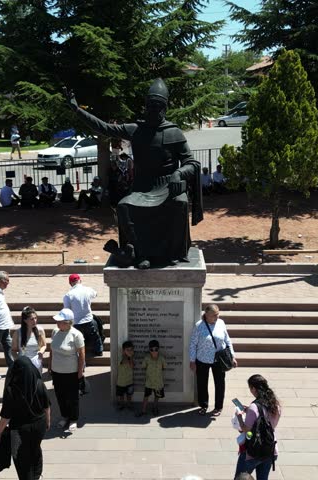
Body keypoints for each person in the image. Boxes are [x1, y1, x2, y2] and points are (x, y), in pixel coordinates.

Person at [68, 79, 203, 269]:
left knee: (179, 203)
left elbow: (192, 162)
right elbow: (104, 127)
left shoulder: (173, 132)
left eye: (158, 106)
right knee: (124, 206)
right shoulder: (136, 129)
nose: (154, 109)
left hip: (167, 185)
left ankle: (174, 253)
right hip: (143, 186)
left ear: (164, 108)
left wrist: (179, 173)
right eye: (151, 105)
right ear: (146, 106)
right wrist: (77, 110)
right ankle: (138, 253)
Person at [0, 357, 51, 480]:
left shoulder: (12, 390)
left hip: (19, 430)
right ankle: (37, 475)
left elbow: (6, 416)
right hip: (39, 425)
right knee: (36, 449)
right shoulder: (39, 384)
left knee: (20, 459)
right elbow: (47, 407)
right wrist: (47, 421)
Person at [189, 304, 237, 416]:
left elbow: (227, 340)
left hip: (219, 360)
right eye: (214, 315)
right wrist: (192, 360)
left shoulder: (221, 323)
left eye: (218, 314)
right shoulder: (199, 326)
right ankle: (203, 405)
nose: (217, 317)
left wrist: (233, 356)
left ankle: (218, 407)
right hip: (202, 359)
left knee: (220, 384)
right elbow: (193, 344)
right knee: (202, 384)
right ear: (206, 315)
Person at [234, 374, 281, 480]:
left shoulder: (254, 407)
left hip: (252, 451)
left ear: (254, 388)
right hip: (269, 450)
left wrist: (240, 417)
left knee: (241, 478)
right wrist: (250, 411)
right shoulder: (275, 405)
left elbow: (245, 428)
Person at [48, 308, 85, 432]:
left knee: (72, 397)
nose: (57, 324)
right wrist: (50, 366)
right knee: (60, 395)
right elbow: (52, 350)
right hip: (56, 371)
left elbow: (81, 355)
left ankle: (74, 419)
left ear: (68, 322)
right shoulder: (55, 332)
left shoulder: (76, 335)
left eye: (60, 321)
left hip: (71, 372)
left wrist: (80, 372)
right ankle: (64, 416)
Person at [63, 274, 102, 356]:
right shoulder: (87, 290)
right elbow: (95, 294)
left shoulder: (68, 295)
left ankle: (78, 354)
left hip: (76, 323)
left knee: (77, 340)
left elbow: (67, 310)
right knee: (95, 336)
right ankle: (99, 350)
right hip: (88, 320)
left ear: (70, 283)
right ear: (80, 281)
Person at [12, 306, 47, 371]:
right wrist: (18, 361)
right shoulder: (17, 333)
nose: (35, 321)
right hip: (23, 365)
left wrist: (41, 352)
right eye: (32, 319)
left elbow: (44, 345)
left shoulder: (40, 330)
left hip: (36, 363)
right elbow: (13, 351)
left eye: (35, 318)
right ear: (25, 320)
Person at [139, 339, 166, 417]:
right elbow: (143, 366)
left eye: (156, 349)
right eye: (152, 350)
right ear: (149, 350)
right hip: (149, 382)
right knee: (146, 396)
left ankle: (155, 408)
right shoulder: (147, 358)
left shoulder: (161, 358)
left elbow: (164, 367)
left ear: (158, 349)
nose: (154, 351)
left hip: (158, 382)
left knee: (157, 396)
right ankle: (143, 410)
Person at [115, 340, 134, 410]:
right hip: (121, 382)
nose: (129, 351)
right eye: (127, 350)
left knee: (129, 394)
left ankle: (129, 404)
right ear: (123, 351)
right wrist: (129, 356)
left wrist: (131, 357)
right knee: (121, 395)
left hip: (129, 381)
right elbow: (124, 361)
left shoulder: (131, 358)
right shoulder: (122, 358)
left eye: (131, 350)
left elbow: (132, 366)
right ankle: (121, 404)